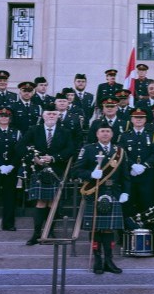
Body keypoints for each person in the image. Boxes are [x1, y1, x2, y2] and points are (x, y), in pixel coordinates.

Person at [75, 126, 130, 274]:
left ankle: (109, 260)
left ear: (112, 134)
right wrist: (91, 174)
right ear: (97, 134)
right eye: (102, 131)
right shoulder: (88, 149)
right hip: (95, 191)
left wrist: (125, 192)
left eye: (108, 131)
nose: (105, 134)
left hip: (113, 191)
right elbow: (77, 170)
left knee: (108, 228)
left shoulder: (119, 151)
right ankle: (97, 259)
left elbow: (125, 174)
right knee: (95, 227)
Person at [22, 108, 76, 245]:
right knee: (40, 201)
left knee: (53, 201)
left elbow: (70, 149)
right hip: (39, 170)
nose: (51, 116)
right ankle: (36, 233)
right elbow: (20, 146)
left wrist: (54, 158)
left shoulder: (65, 132)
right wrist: (34, 158)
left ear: (58, 116)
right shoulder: (34, 129)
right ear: (43, 115)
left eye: (54, 114)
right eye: (48, 114)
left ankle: (49, 232)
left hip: (56, 170)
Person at [119, 107, 154, 227]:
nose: (138, 120)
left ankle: (148, 234)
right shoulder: (124, 136)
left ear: (145, 120)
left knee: (147, 204)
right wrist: (132, 165)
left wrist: (144, 166)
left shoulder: (152, 135)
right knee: (129, 204)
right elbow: (122, 153)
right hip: (130, 176)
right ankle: (127, 234)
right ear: (131, 119)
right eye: (136, 118)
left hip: (147, 176)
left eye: (141, 118)